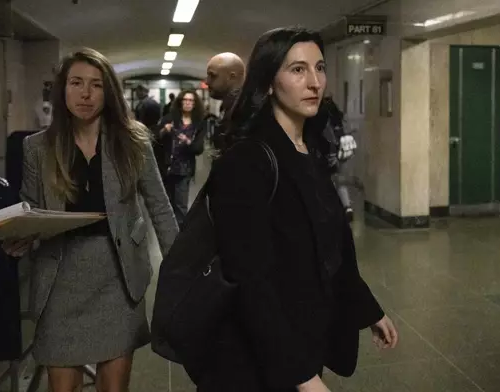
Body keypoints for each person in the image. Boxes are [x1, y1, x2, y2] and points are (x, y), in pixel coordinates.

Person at [198, 26, 398, 392]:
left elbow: (332, 246)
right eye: (297, 70)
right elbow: (249, 280)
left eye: (319, 68)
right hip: (256, 355)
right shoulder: (247, 161)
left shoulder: (310, 149)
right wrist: (301, 376)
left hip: (306, 330)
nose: (314, 82)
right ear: (269, 82)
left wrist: (370, 309)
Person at [2, 48, 179, 392]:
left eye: (96, 85)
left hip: (117, 277)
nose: (85, 93)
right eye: (76, 83)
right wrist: (19, 236)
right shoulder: (37, 147)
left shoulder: (133, 140)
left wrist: (180, 268)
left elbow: (159, 206)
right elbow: (31, 207)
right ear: (62, 89)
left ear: (108, 91)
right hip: (60, 279)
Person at [156, 90, 206, 228]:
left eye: (191, 100)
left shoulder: (199, 124)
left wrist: (188, 142)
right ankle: (168, 231)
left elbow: (198, 148)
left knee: (180, 204)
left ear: (195, 104)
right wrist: (164, 131)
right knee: (166, 203)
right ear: (180, 102)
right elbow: (154, 138)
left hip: (184, 168)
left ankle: (180, 235)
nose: (188, 103)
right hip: (167, 166)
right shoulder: (170, 118)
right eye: (185, 100)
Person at [320, 96, 357, 222]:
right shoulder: (338, 122)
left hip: (328, 156)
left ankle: (331, 209)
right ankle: (347, 207)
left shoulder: (322, 122)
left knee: (327, 181)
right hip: (340, 155)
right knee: (340, 181)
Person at [205, 52, 245, 149]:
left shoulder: (244, 109)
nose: (207, 82)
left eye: (213, 76)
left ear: (232, 77)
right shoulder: (229, 106)